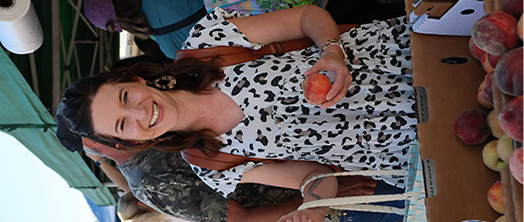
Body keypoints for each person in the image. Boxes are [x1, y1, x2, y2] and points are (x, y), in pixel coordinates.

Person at [61, 5, 416, 221]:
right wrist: (313, 206)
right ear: (132, 141)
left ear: (135, 79)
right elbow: (314, 175)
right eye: (124, 125)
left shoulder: (205, 43)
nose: (139, 112)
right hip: (408, 144)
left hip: (405, 59)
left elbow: (308, 17)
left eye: (125, 96)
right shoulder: (210, 164)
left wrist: (331, 52)